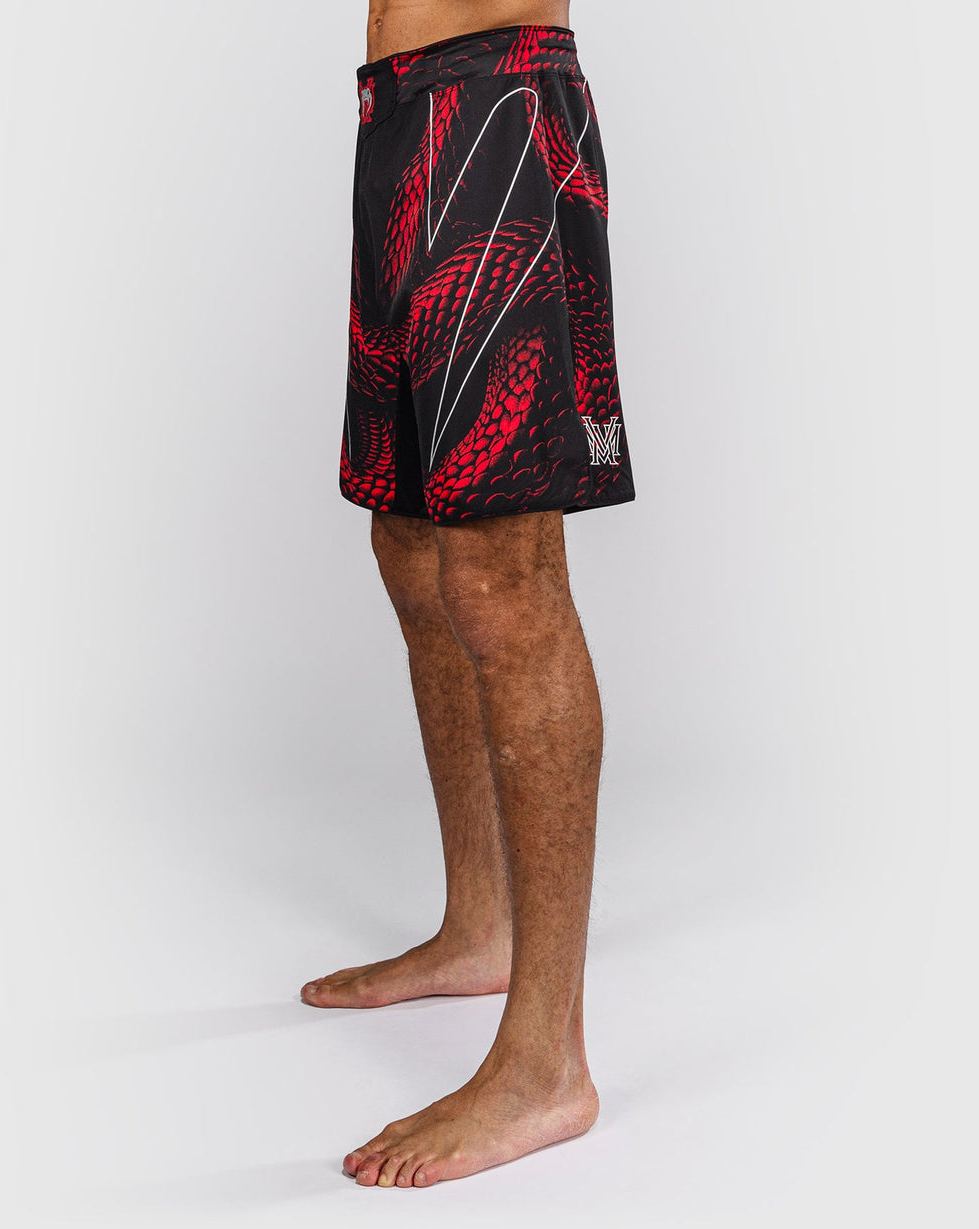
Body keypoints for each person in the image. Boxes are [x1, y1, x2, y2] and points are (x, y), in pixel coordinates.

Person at [301, 0, 636, 1187]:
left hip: (497, 105)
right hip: (401, 113)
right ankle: (478, 925)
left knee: (501, 571)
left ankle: (547, 1063)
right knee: (408, 534)